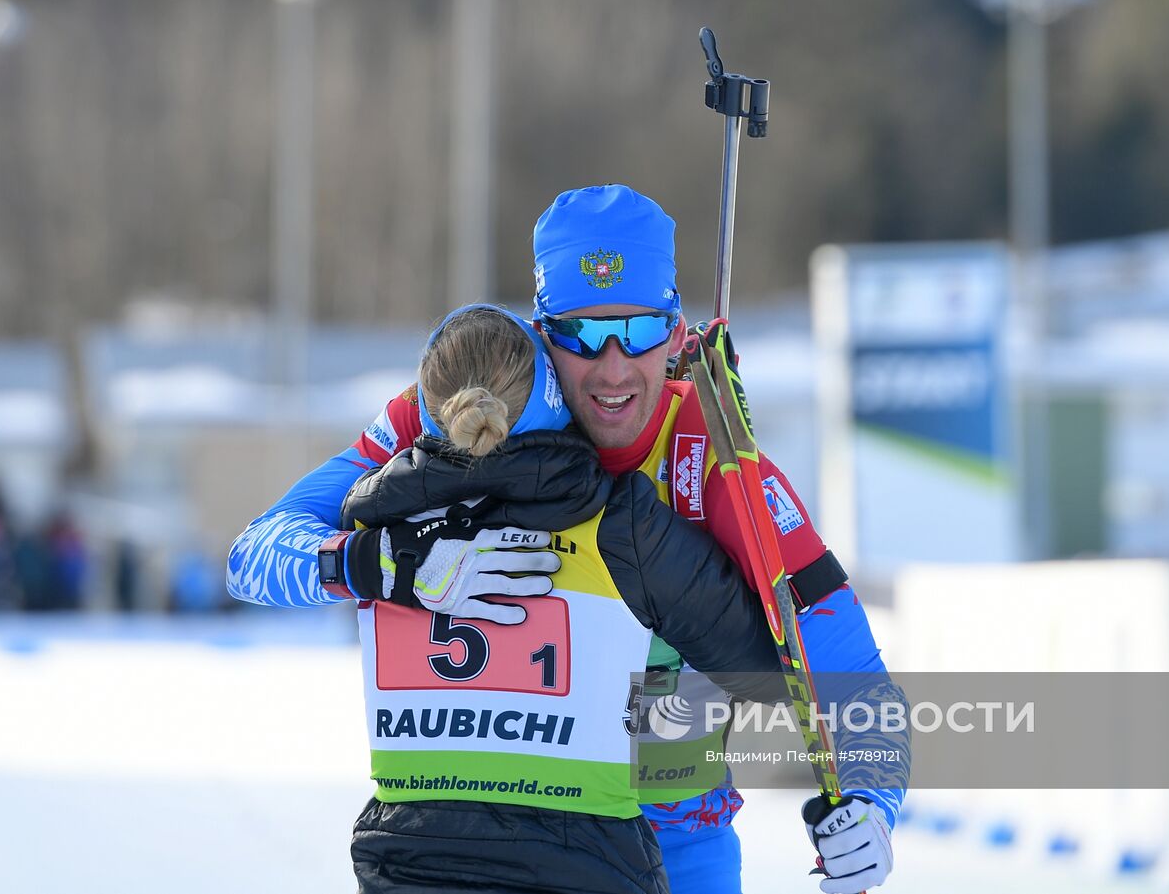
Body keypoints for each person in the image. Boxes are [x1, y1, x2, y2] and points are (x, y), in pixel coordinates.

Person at [234, 183, 908, 894]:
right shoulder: (460, 406)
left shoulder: (703, 454)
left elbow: (852, 673)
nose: (614, 368)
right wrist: (377, 563)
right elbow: (255, 553)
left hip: (675, 849)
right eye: (582, 336)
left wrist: (872, 799)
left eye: (641, 331)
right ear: (540, 332)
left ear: (678, 333)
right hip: (490, 859)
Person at [229, 303, 788, 894]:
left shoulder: (382, 507)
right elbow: (773, 672)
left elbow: (250, 561)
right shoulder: (623, 523)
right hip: (617, 849)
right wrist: (720, 425)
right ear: (555, 400)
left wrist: (372, 563)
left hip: (411, 861)